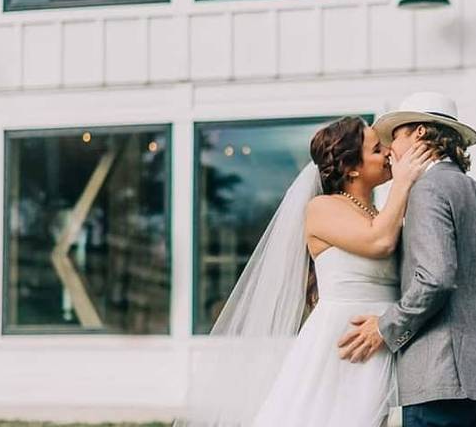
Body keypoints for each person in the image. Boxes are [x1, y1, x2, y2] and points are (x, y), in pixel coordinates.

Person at [174, 116, 430, 427]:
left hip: (382, 334)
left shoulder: (378, 211)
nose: (389, 152)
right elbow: (379, 242)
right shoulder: (322, 208)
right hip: (344, 339)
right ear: (351, 168)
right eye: (377, 149)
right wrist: (403, 182)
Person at [337, 91, 476, 427]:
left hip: (438, 380)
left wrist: (385, 327)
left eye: (395, 137)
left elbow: (435, 277)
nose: (390, 150)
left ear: (419, 133)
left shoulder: (427, 190)